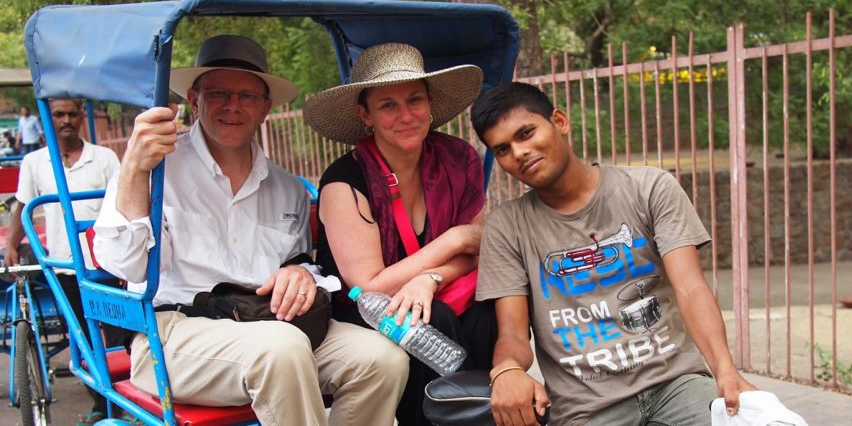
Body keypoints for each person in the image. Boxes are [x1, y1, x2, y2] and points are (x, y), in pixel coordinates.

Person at [92, 35, 408, 426]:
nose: (232, 106)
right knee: (282, 347)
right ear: (195, 100)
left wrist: (299, 274)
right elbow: (125, 265)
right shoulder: (154, 172)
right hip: (171, 334)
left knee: (383, 358)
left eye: (247, 96)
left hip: (265, 323)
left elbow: (299, 264)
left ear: (265, 109)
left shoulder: (287, 188)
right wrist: (135, 168)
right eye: (219, 93)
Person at [470, 82, 757, 426]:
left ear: (559, 122)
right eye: (502, 149)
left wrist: (725, 371)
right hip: (586, 407)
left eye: (526, 133)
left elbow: (691, 288)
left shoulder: (650, 187)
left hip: (676, 384)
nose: (519, 153)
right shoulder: (507, 225)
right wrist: (507, 369)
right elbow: (513, 334)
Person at [303, 43, 497, 426]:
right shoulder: (345, 181)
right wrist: (453, 240)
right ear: (366, 115)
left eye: (414, 100)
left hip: (439, 287)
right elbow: (369, 286)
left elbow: (480, 249)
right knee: (427, 320)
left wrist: (430, 277)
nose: (406, 115)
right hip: (359, 308)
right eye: (388, 105)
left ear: (430, 103)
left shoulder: (458, 159)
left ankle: (497, 412)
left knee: (490, 309)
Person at [4, 98, 121, 424]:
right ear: (47, 119)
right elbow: (23, 205)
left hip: (106, 265)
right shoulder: (35, 161)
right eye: (59, 114)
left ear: (81, 117)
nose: (66, 120)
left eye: (72, 113)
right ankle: (101, 403)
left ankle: (123, 398)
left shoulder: (105, 158)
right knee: (82, 338)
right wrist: (12, 246)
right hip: (62, 264)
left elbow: (126, 201)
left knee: (118, 337)